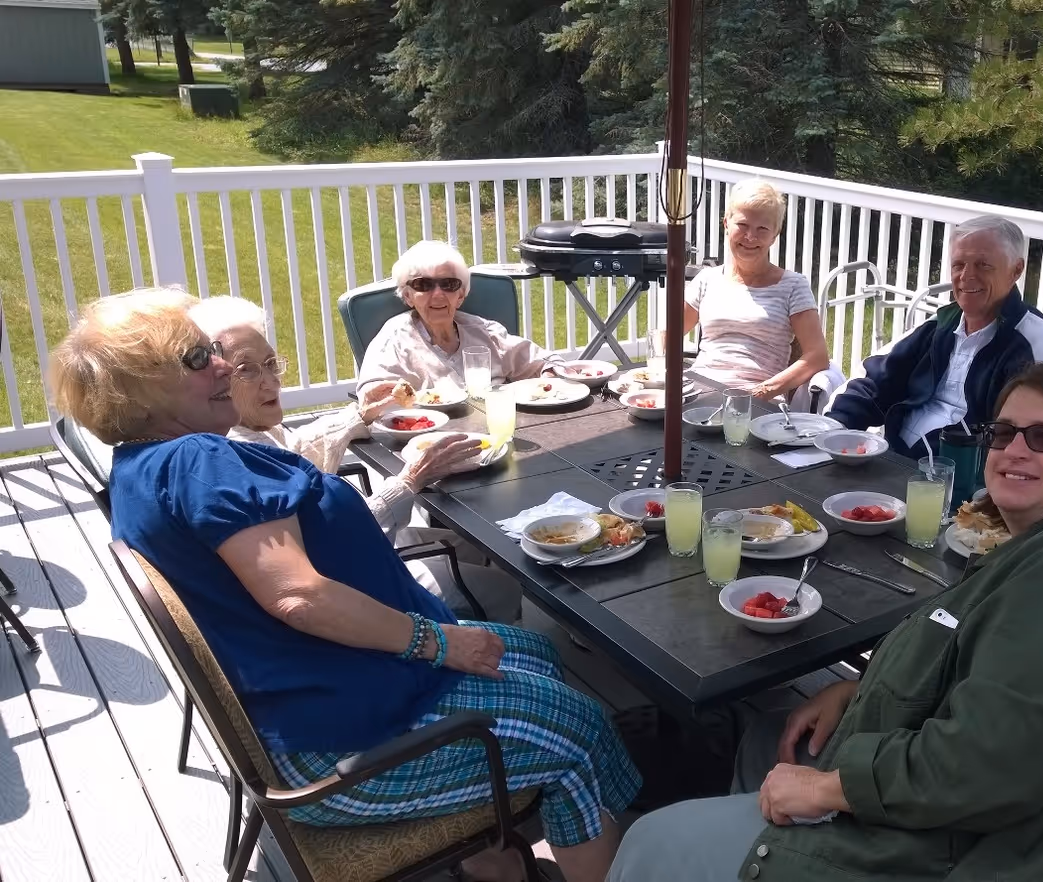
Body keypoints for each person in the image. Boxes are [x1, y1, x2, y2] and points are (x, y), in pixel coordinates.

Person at [51, 289, 640, 882]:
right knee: (581, 732)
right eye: (200, 358)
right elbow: (297, 595)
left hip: (326, 692)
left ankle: (495, 861)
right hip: (344, 747)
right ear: (146, 389)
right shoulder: (201, 462)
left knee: (536, 651)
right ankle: (585, 838)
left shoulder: (141, 465)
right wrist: (439, 643)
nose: (225, 365)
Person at [609, 363, 1043, 882]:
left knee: (652, 841)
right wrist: (862, 689)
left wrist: (832, 789)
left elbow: (986, 767)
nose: (1014, 450)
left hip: (955, 851)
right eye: (1002, 433)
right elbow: (993, 674)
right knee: (765, 737)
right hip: (934, 802)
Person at [190, 295, 524, 624]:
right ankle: (504, 655)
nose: (272, 380)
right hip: (357, 583)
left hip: (360, 545)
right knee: (506, 583)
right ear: (215, 380)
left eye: (271, 363)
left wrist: (360, 415)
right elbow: (333, 538)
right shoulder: (241, 456)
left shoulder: (251, 429)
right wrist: (410, 481)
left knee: (472, 544)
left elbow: (297, 449)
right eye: (247, 370)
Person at [826, 215, 1043, 457]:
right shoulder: (941, 325)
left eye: (983, 265)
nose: (966, 276)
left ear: (1016, 270)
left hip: (960, 480)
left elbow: (1035, 437)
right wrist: (834, 430)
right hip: (893, 460)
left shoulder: (1036, 343)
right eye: (958, 265)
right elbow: (873, 379)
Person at [684, 179, 842, 410]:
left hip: (757, 402)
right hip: (700, 393)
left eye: (762, 229)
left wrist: (761, 392)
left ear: (775, 235)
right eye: (743, 225)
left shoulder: (793, 286)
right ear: (726, 224)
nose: (750, 237)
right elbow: (669, 333)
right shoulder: (707, 279)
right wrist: (654, 369)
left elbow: (817, 356)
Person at [357, 240, 563, 398]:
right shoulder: (395, 340)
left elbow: (546, 363)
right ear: (408, 296)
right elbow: (372, 397)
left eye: (448, 284)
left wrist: (547, 386)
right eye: (423, 284)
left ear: (461, 295)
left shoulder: (484, 332)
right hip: (431, 442)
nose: (438, 294)